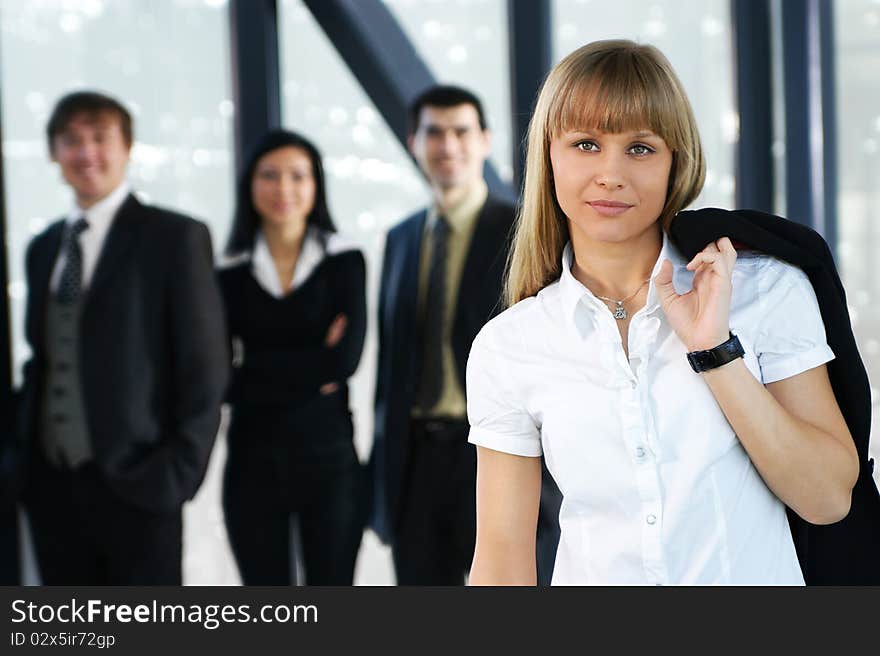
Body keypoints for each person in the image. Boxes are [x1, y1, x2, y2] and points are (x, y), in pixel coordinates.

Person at [466, 41, 860, 585]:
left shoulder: (766, 289)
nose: (610, 174)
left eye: (641, 148)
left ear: (676, 160)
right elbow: (502, 559)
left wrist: (716, 353)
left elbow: (828, 498)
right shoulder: (510, 345)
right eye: (585, 144)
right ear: (548, 155)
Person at [19, 90, 228, 585]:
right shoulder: (44, 247)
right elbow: (45, 359)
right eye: (71, 141)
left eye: (100, 138)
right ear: (54, 153)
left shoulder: (174, 237)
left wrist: (176, 473)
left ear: (127, 147)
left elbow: (206, 365)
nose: (87, 153)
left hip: (142, 483)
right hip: (53, 488)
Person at [369, 84, 557, 585]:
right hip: (416, 462)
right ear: (414, 142)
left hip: (495, 453)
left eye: (460, 131)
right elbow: (391, 366)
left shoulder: (522, 228)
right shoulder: (402, 237)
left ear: (485, 140)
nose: (447, 145)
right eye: (434, 132)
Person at [218, 130, 367, 585]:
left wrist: (255, 368)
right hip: (251, 461)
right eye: (269, 176)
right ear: (249, 184)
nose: (284, 189)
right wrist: (312, 363)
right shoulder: (227, 272)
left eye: (297, 176)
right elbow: (221, 379)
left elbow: (343, 363)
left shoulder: (345, 261)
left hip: (330, 461)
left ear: (316, 185)